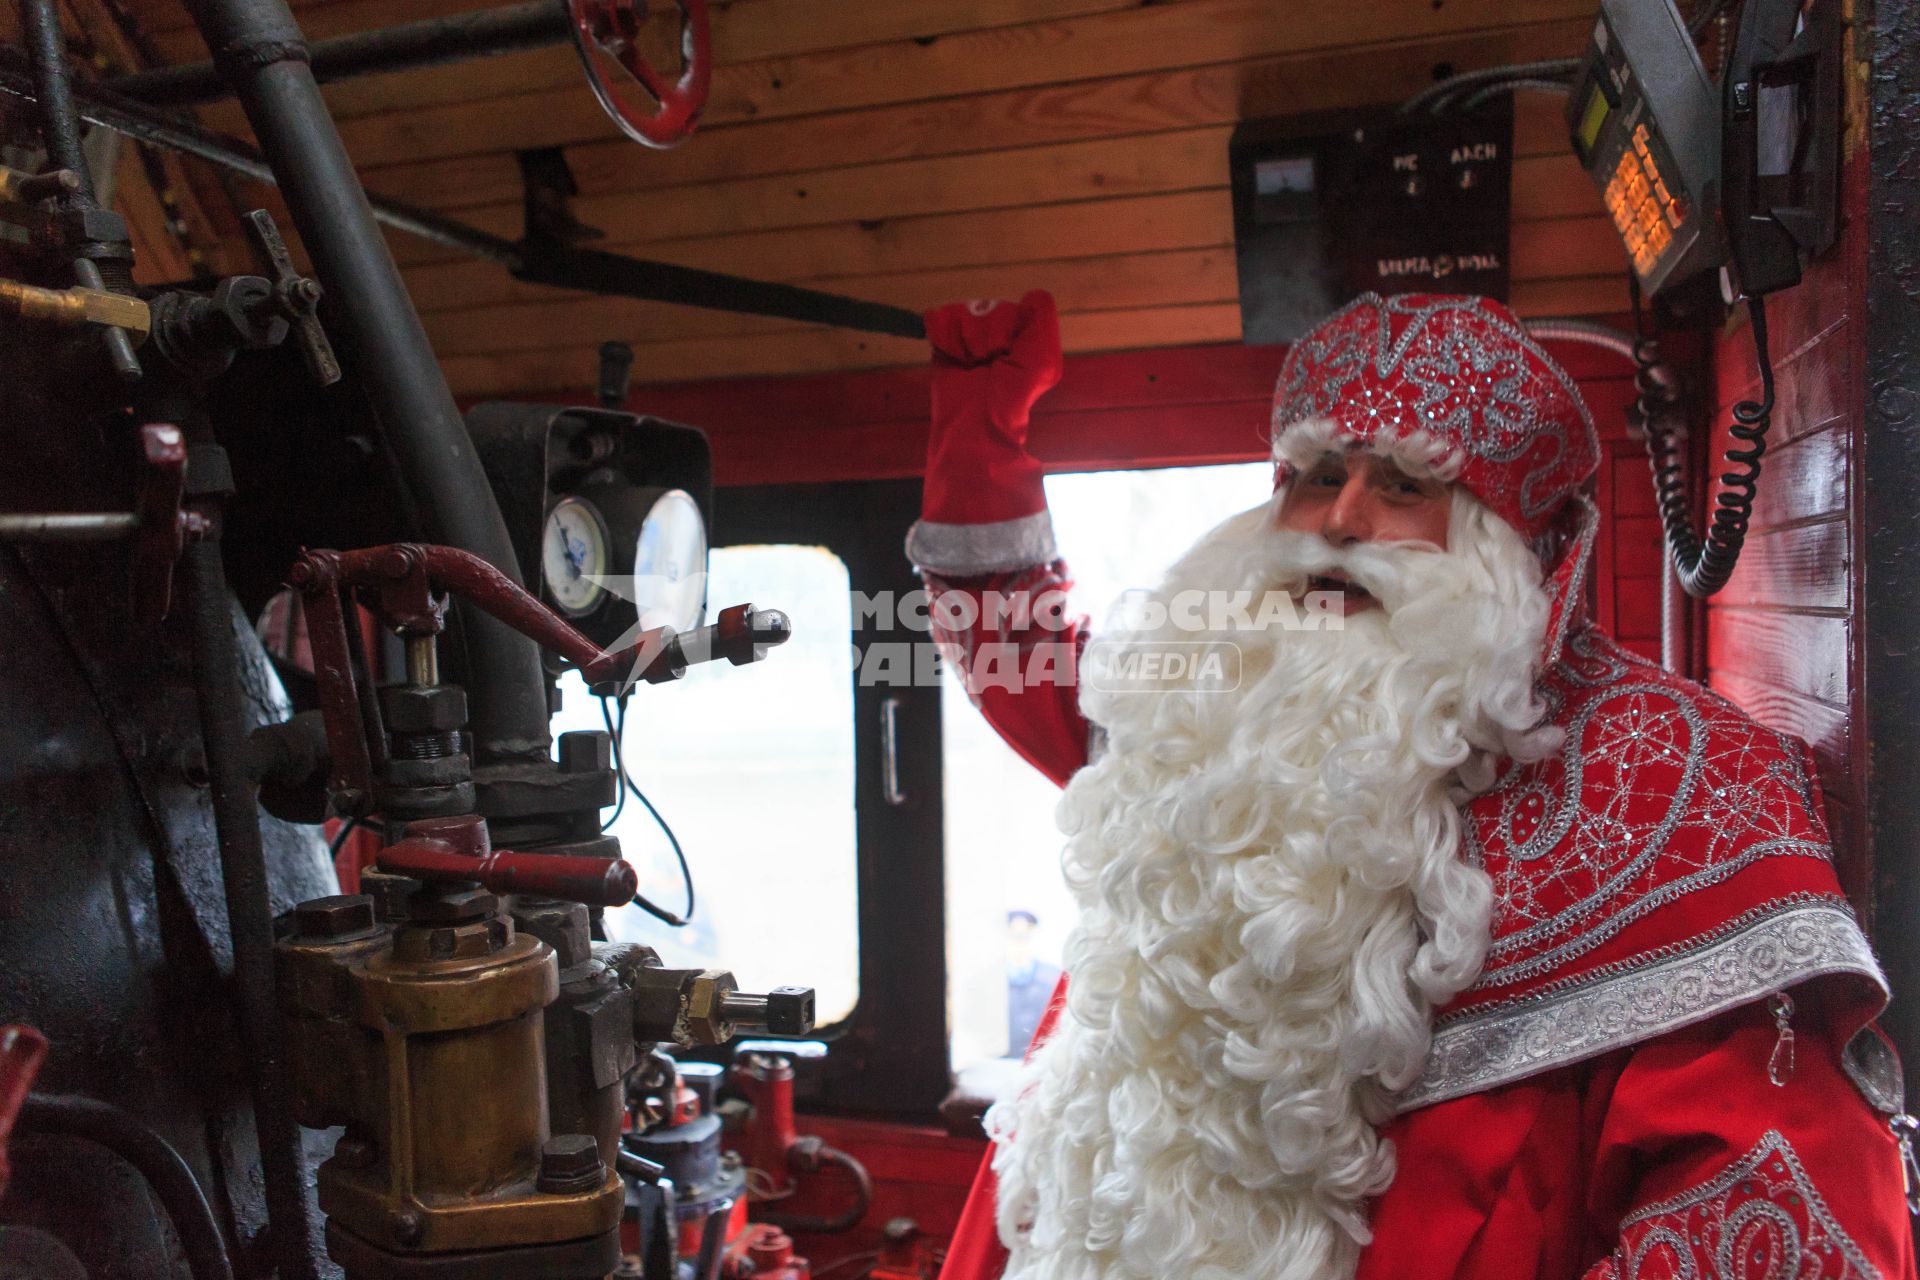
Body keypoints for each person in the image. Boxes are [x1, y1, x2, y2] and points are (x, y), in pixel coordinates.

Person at [909, 290, 1919, 1280]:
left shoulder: (1670, 774)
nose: (1339, 519)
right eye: (1315, 474)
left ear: (1509, 541)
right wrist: (978, 421)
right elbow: (1027, 664)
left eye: (1401, 484)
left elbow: (1775, 1198)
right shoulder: (1216, 696)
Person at [1004, 910, 1062, 1054]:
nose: (1019, 940)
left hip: (1039, 1060)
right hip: (999, 1061)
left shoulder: (1053, 977)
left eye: (1025, 934)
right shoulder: (988, 980)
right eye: (1014, 934)